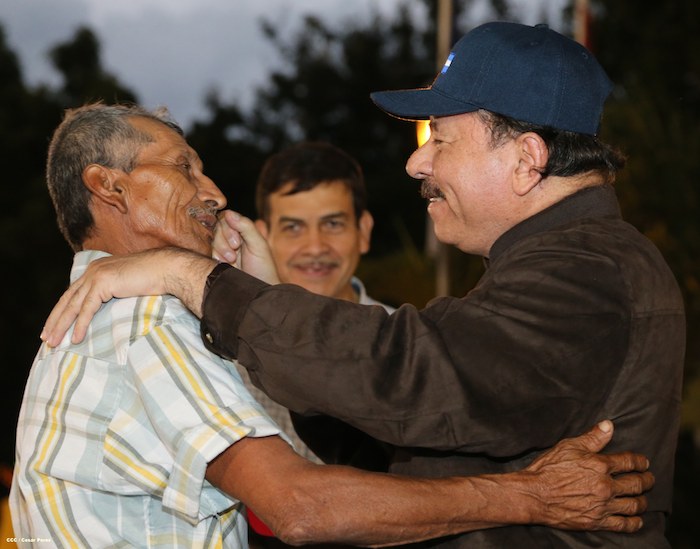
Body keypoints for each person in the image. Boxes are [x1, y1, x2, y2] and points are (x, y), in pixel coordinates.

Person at [13, 103, 653, 548]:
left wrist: (243, 293)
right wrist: (530, 496)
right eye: (184, 167)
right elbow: (301, 506)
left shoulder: (116, 316)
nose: (213, 192)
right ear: (110, 188)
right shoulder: (145, 322)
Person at [216, 141, 394, 471]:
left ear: (363, 231)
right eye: (293, 227)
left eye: (333, 224)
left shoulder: (408, 344)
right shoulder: (227, 361)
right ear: (262, 236)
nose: (314, 247)